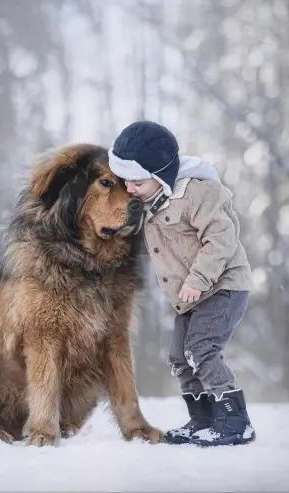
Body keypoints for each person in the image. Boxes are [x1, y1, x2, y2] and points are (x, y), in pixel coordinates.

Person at [107, 120, 256, 447]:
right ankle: (203, 420)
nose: (129, 188)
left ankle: (235, 421)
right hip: (190, 296)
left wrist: (199, 279)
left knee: (200, 349)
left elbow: (221, 238)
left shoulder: (197, 193)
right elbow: (155, 244)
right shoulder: (152, 204)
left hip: (222, 287)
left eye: (135, 181)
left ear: (159, 174)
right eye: (125, 180)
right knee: (179, 355)